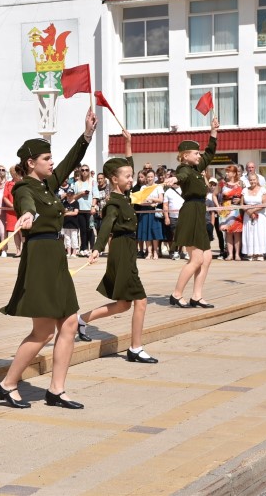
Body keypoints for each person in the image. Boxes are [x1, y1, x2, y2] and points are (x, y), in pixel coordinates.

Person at [0, 108, 96, 410]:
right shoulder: (24, 188)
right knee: (43, 331)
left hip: (56, 255)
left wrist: (86, 135)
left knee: (68, 324)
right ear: (31, 163)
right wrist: (27, 213)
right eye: (46, 158)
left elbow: (69, 162)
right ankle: (8, 384)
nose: (52, 162)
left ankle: (56, 390)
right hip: (39, 257)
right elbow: (25, 202)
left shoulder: (48, 184)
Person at [77, 130, 158, 363]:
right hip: (121, 250)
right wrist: (96, 248)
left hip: (127, 249)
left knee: (123, 305)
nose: (132, 179)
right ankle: (135, 348)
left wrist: (128, 143)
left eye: (132, 176)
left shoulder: (125, 195)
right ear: (115, 179)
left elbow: (129, 164)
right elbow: (106, 226)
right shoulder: (113, 202)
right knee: (140, 300)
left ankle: (80, 320)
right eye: (127, 176)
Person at [167, 118, 219, 309]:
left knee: (207, 257)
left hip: (199, 212)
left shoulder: (196, 168)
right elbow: (182, 176)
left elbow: (210, 152)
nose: (199, 155)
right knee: (196, 259)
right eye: (196, 153)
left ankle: (197, 296)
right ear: (185, 155)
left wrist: (213, 131)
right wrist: (175, 179)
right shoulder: (184, 169)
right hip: (190, 212)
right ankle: (176, 294)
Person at [241, 173, 266, 261]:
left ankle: (260, 253)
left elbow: (264, 204)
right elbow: (242, 204)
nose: (252, 181)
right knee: (250, 233)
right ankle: (250, 253)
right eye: (251, 180)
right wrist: (249, 212)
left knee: (259, 233)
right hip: (248, 215)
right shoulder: (244, 190)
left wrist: (253, 210)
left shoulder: (263, 190)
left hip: (260, 215)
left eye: (254, 179)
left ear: (257, 180)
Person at [136, 169, 164, 260]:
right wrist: (148, 203)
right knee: (146, 232)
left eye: (151, 177)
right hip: (145, 211)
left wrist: (152, 199)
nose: (150, 178)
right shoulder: (143, 187)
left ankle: (155, 251)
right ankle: (149, 252)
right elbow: (140, 201)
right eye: (148, 177)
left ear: (154, 177)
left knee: (155, 232)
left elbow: (161, 199)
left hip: (154, 212)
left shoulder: (158, 187)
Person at [218, 165, 243, 261]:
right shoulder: (222, 183)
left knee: (237, 233)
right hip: (225, 210)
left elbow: (245, 195)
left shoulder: (241, 183)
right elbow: (214, 195)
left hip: (236, 210)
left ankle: (237, 254)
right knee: (228, 233)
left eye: (229, 172)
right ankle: (230, 254)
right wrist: (218, 206)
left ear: (234, 173)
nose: (226, 173)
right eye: (226, 172)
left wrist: (240, 200)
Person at [3, 165, 23, 257]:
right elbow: (5, 197)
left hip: (22, 210)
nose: (13, 175)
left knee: (22, 231)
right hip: (11, 211)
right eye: (12, 173)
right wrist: (12, 206)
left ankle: (25, 250)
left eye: (15, 173)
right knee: (15, 232)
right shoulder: (8, 184)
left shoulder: (24, 183)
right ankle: (18, 250)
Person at [61, 188, 80, 257]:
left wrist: (66, 213)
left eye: (71, 195)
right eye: (68, 195)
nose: (69, 196)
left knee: (74, 237)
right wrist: (65, 213)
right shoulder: (65, 203)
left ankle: (74, 252)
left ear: (73, 195)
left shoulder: (76, 203)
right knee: (67, 238)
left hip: (74, 223)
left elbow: (75, 212)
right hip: (66, 223)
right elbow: (63, 211)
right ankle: (68, 252)